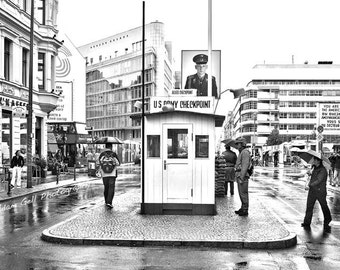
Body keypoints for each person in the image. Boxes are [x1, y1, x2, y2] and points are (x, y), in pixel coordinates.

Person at [301, 153, 332, 232]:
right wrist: (309, 173)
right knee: (309, 206)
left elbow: (319, 180)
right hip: (312, 191)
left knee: (323, 206)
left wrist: (310, 185)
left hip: (320, 191)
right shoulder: (314, 168)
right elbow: (313, 177)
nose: (313, 161)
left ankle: (327, 220)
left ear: (318, 161)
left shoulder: (323, 170)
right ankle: (306, 222)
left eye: (314, 160)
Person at [99, 143, 120, 209]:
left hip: (104, 174)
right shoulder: (114, 154)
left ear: (105, 146)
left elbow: (99, 162)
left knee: (106, 187)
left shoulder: (102, 154)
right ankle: (109, 202)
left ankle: (106, 201)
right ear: (111, 147)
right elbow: (118, 163)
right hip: (112, 174)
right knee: (111, 187)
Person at [234, 137, 251, 216]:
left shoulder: (245, 152)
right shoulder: (242, 152)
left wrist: (241, 177)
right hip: (240, 174)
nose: (236, 146)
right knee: (241, 193)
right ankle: (243, 207)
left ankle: (245, 209)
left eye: (237, 144)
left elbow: (245, 165)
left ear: (241, 144)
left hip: (242, 175)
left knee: (243, 193)